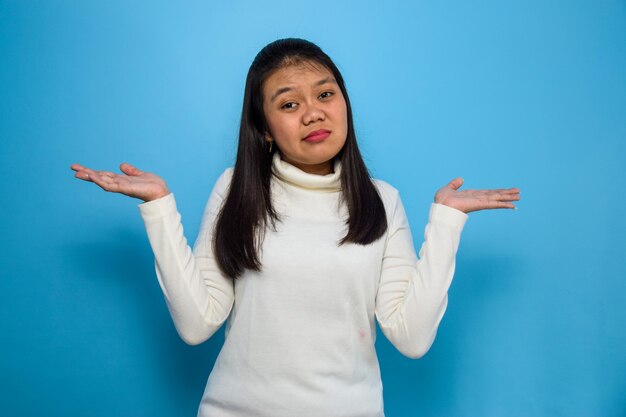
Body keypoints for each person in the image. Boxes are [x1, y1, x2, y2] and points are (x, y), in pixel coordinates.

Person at [71, 38, 520, 417]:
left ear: (344, 102)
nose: (313, 113)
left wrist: (446, 222)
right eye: (289, 103)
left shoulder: (382, 200)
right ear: (264, 128)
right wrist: (159, 210)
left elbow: (412, 337)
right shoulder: (236, 190)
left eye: (325, 95)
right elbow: (196, 324)